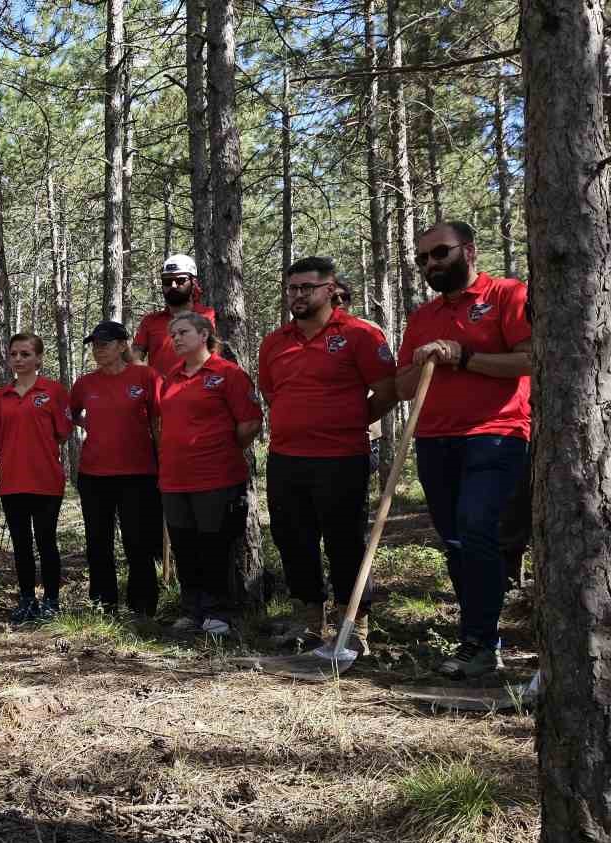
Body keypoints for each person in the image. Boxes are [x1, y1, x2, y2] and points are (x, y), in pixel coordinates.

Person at [397, 221, 531, 679]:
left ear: (468, 250)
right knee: (455, 540)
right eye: (421, 259)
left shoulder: (508, 294)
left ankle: (482, 640)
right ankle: (476, 636)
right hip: (434, 437)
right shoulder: (422, 317)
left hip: (496, 432)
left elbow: (532, 358)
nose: (430, 264)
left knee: (478, 529)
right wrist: (422, 364)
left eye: (438, 253)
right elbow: (400, 388)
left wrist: (465, 356)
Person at [258, 257, 397, 652]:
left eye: (307, 287)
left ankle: (355, 626)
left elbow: (387, 390)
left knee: (345, 541)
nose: (298, 295)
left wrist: (351, 420)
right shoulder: (275, 342)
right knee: (293, 539)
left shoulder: (358, 334)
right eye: (291, 288)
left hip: (342, 456)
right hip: (286, 457)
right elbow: (272, 394)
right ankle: (308, 620)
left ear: (330, 289)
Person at [157, 313, 262, 635]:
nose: (175, 338)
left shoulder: (228, 374)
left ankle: (220, 613)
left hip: (217, 477)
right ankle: (192, 610)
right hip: (175, 479)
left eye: (183, 332)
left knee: (215, 546)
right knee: (185, 547)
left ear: (204, 335)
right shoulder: (171, 377)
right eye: (173, 334)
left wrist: (218, 448)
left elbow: (249, 424)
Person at [71, 321, 163, 618]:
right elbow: (70, 412)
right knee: (98, 542)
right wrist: (87, 425)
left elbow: (159, 420)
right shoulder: (85, 383)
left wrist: (165, 461)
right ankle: (103, 605)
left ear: (123, 345)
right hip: (94, 474)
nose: (98, 350)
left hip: (138, 474)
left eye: (105, 344)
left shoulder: (145, 376)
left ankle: (143, 607)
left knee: (138, 542)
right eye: (95, 345)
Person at [0, 333, 73, 624]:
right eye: (14, 354)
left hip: (46, 481)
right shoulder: (1, 397)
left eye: (25, 354)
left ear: (38, 358)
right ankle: (27, 599)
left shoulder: (53, 391)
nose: (19, 359)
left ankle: (52, 599)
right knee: (21, 544)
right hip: (13, 482)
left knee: (46, 541)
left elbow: (63, 433)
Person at [134, 254, 219, 377]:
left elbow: (218, 355)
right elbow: (134, 357)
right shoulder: (150, 321)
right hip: (161, 394)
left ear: (193, 282)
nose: (173, 285)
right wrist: (154, 378)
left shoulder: (208, 315)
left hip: (200, 390)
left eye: (180, 280)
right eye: (167, 281)